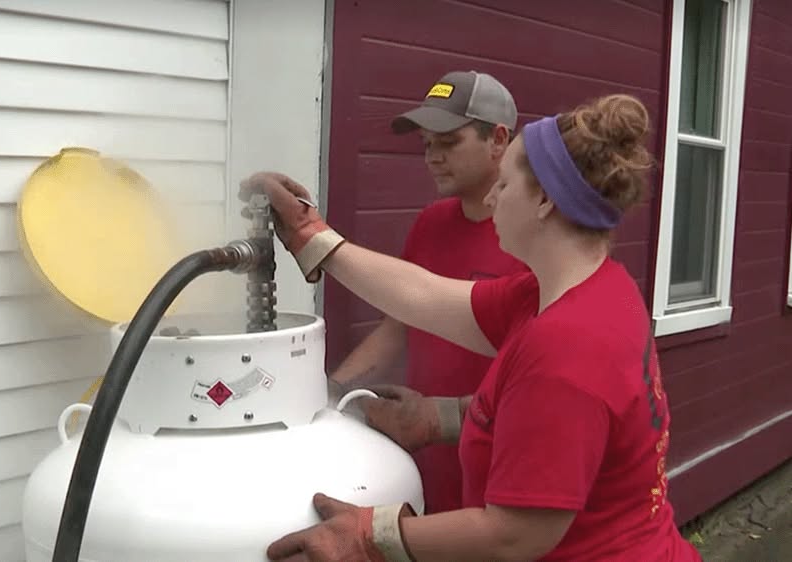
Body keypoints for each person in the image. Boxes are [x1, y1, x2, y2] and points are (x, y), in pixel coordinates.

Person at [242, 93, 702, 561]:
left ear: (544, 200)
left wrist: (367, 535)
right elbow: (425, 296)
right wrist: (311, 236)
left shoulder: (568, 343)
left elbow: (513, 534)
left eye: (504, 184)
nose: (490, 196)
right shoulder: (579, 290)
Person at [330, 70, 527, 515]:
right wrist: (332, 393)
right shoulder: (431, 223)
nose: (432, 157)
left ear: (498, 139)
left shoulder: (531, 239)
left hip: (499, 465)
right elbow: (399, 325)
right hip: (427, 459)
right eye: (426, 145)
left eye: (448, 142)